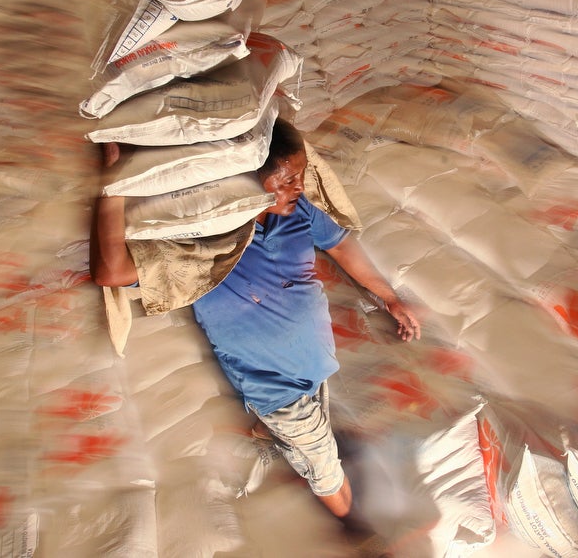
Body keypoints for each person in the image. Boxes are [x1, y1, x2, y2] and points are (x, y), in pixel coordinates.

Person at [90, 118, 421, 548]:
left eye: (300, 175)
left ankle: (273, 434)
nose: (299, 187)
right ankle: (357, 531)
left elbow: (339, 244)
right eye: (287, 179)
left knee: (313, 425)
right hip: (276, 390)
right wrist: (114, 185)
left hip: (313, 368)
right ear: (245, 176)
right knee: (325, 468)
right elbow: (110, 271)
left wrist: (389, 298)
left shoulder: (297, 212)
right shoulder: (209, 243)